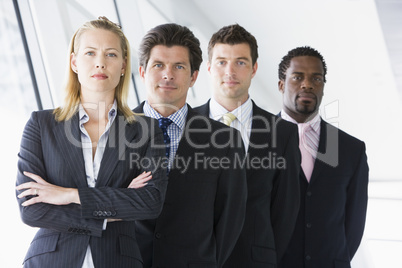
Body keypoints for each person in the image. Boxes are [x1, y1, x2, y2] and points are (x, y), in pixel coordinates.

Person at [15, 17, 168, 268]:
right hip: (51, 260)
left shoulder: (146, 130)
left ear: (122, 65)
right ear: (74, 62)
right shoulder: (41, 125)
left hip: (118, 260)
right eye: (90, 53)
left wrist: (69, 195)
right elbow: (31, 209)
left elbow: (149, 203)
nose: (100, 62)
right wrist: (116, 208)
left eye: (110, 54)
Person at [133, 23, 247, 268]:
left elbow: (230, 219)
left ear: (194, 76)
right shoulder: (111, 131)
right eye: (158, 65)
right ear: (142, 71)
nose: (168, 74)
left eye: (179, 66)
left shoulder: (226, 141)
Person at [194, 24, 301, 267]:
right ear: (209, 68)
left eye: (240, 62)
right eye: (221, 62)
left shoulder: (282, 132)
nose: (229, 71)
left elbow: (285, 211)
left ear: (253, 69)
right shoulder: (186, 127)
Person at [277, 46, 369, 268]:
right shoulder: (255, 140)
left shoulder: (349, 149)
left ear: (323, 87)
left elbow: (354, 223)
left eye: (316, 79)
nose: (307, 84)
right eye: (297, 77)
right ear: (281, 85)